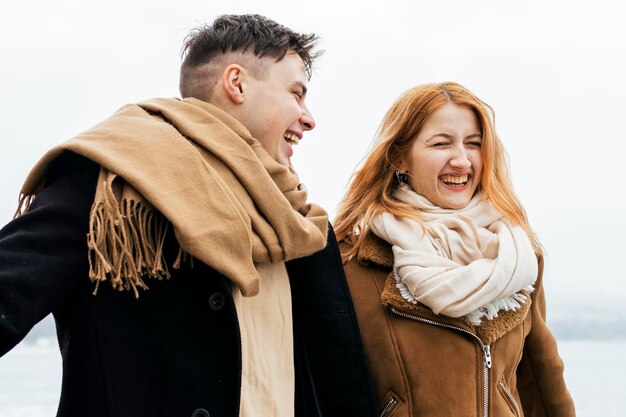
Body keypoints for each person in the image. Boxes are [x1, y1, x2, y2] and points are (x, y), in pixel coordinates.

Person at [0, 14, 377, 417]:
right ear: (236, 83)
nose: (309, 118)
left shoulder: (299, 225)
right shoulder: (113, 189)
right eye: (295, 93)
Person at [334, 82, 576, 416]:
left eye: (474, 144)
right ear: (400, 158)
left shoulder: (517, 255)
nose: (461, 161)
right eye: (441, 143)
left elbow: (542, 379)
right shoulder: (352, 256)